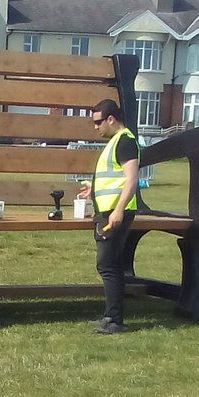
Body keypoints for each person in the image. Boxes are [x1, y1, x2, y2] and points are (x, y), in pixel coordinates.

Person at [76, 99, 139, 334]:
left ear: (111, 119)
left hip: (114, 214)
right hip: (107, 212)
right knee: (109, 265)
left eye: (98, 122)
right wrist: (93, 189)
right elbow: (116, 177)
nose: (95, 127)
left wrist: (119, 210)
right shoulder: (116, 141)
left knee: (108, 266)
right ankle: (111, 317)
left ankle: (114, 320)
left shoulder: (124, 141)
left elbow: (131, 179)